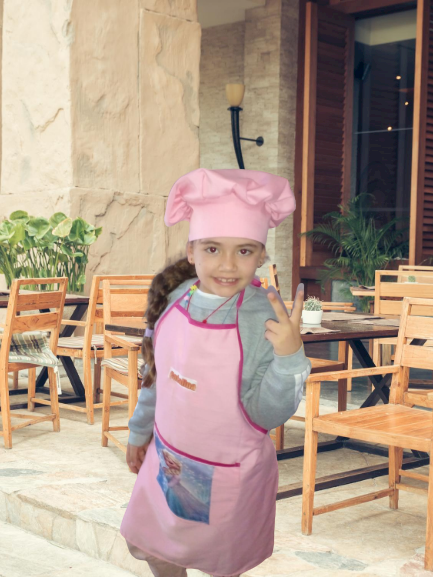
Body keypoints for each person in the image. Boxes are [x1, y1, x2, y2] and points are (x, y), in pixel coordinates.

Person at [120, 168, 312, 577]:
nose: (227, 264)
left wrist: (289, 357)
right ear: (191, 251)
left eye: (244, 250)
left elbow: (267, 414)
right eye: (212, 249)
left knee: (221, 564)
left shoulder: (264, 318)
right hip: (169, 461)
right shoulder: (175, 298)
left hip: (229, 476)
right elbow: (156, 376)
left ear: (261, 255)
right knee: (155, 546)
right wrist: (139, 430)